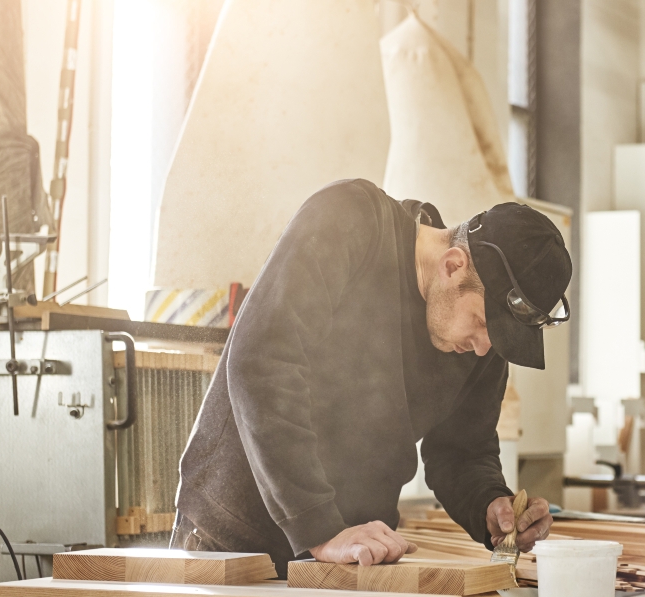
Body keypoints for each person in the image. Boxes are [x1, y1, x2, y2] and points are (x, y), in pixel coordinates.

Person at [171, 179, 571, 575]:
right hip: (235, 540)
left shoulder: (481, 342)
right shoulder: (350, 222)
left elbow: (463, 451)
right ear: (453, 265)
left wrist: (491, 505)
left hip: (353, 552)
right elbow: (263, 363)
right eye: (481, 323)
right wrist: (321, 529)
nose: (484, 348)